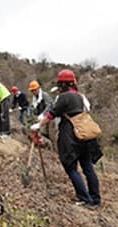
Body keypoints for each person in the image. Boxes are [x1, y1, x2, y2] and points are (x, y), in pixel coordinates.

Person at [33, 69, 102, 208]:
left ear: (62, 84)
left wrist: (38, 125)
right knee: (88, 167)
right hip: (85, 134)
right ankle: (95, 199)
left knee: (70, 167)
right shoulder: (81, 96)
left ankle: (84, 198)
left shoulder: (64, 97)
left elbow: (52, 114)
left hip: (70, 135)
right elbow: (87, 110)